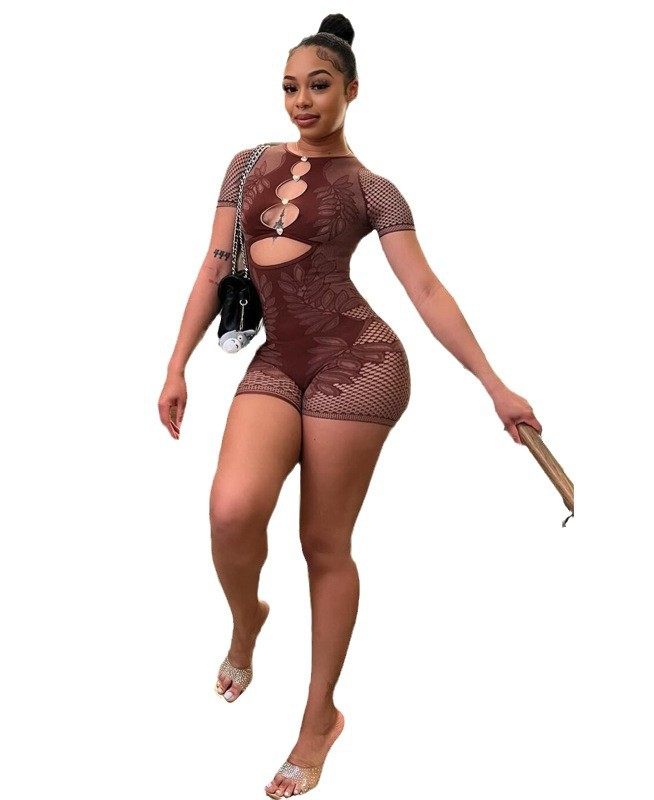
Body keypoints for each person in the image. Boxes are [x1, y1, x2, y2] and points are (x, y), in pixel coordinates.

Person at [158, 13, 542, 797]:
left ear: (352, 91)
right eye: (290, 87)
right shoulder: (246, 164)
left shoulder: (374, 190)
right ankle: (247, 622)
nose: (302, 100)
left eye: (319, 86)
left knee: (322, 545)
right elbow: (213, 266)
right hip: (280, 358)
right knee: (232, 509)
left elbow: (425, 289)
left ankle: (318, 720)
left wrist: (494, 384)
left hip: (359, 363)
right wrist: (176, 364)